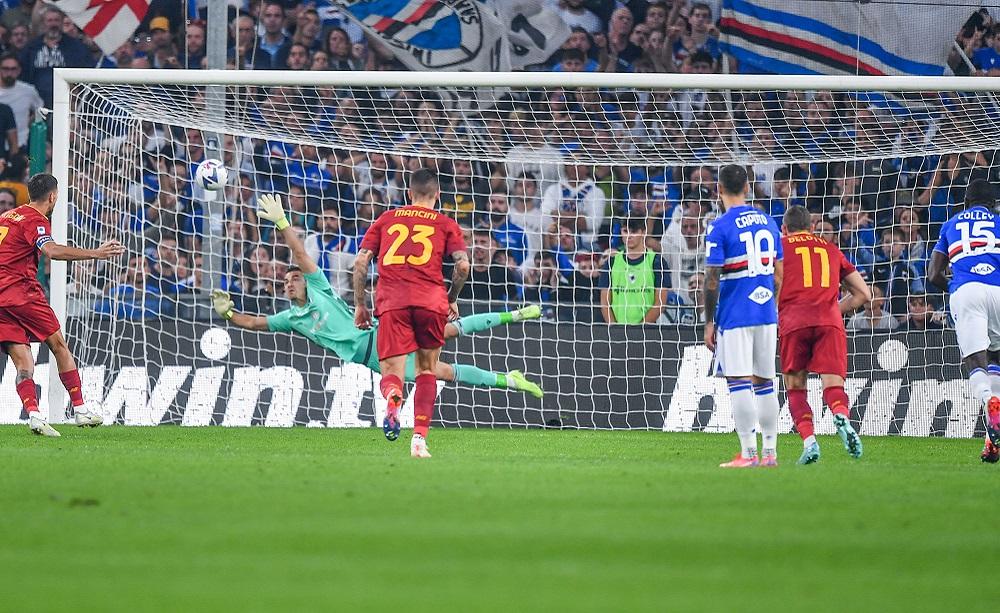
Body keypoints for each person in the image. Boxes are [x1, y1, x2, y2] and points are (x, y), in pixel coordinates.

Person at [352, 168, 470, 458]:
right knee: (426, 370)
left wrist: (360, 304)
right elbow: (464, 266)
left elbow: (360, 263)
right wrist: (451, 297)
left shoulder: (386, 219)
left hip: (392, 302)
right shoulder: (445, 223)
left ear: (409, 194)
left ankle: (394, 397)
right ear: (438, 195)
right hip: (431, 302)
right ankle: (419, 439)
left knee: (392, 372)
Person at [0, 173, 124, 437]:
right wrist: (97, 253)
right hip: (21, 292)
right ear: (53, 196)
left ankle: (33, 415)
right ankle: (79, 409)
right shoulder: (36, 220)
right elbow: (52, 252)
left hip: (1, 300)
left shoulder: (8, 216)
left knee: (23, 363)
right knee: (59, 345)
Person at [703, 164, 783, 468]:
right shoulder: (768, 222)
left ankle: (748, 453)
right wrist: (768, 301)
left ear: (719, 189)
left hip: (736, 315)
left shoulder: (719, 226)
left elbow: (712, 279)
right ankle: (770, 453)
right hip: (766, 313)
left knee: (738, 381)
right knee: (765, 382)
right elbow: (780, 273)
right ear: (747, 188)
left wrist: (710, 320)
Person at [778, 206, 871, 465]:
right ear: (812, 227)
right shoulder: (830, 248)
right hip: (829, 323)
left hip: (793, 321)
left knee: (796, 388)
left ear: (784, 229)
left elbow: (773, 283)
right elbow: (864, 294)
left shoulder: (780, 247)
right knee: (833, 386)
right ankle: (841, 415)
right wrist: (831, 309)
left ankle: (810, 443)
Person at [927, 179, 1000, 463]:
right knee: (996, 358)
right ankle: (991, 443)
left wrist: (956, 287)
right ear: (993, 204)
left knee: (975, 361)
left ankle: (989, 402)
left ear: (966, 203)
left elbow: (933, 274)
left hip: (967, 291)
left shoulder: (951, 224)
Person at [599, 217, 668, 324]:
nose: (629, 236)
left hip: (647, 333)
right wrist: (614, 329)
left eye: (634, 231)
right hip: (617, 333)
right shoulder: (611, 263)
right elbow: (605, 302)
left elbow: (660, 303)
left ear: (644, 232)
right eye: (625, 231)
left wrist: (639, 329)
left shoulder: (657, 262)